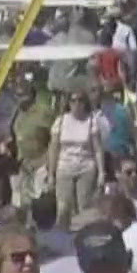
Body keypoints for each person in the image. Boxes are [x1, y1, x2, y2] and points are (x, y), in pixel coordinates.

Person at [49, 89, 109, 228]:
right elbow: (53, 148)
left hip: (86, 167)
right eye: (73, 100)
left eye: (80, 100)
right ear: (68, 103)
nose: (77, 104)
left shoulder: (91, 121)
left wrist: (101, 172)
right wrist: (51, 174)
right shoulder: (61, 120)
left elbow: (98, 149)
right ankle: (62, 236)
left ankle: (84, 233)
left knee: (85, 205)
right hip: (64, 166)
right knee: (64, 206)